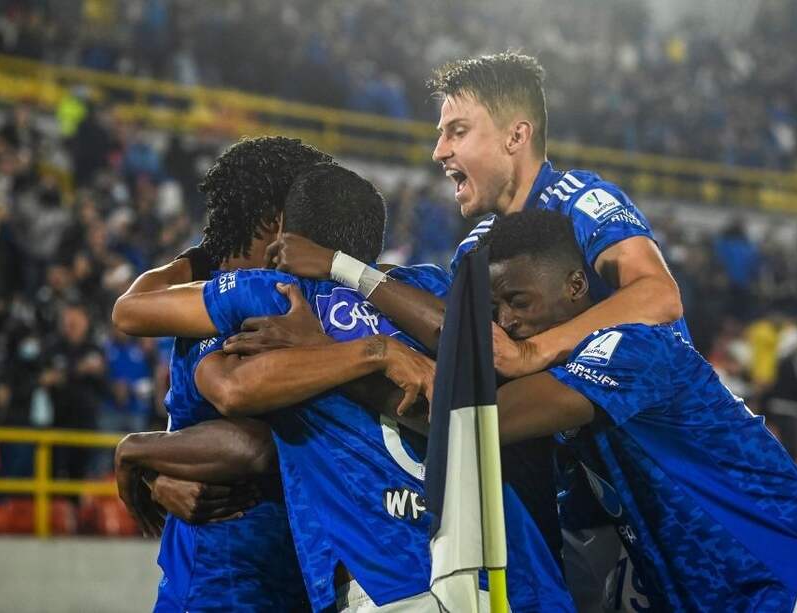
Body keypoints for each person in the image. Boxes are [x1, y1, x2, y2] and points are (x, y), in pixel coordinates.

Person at [261, 51, 685, 610]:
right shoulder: (475, 249)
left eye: (457, 132)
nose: (440, 152)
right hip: (578, 501)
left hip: (665, 479)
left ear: (516, 135)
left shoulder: (581, 200)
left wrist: (533, 352)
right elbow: (464, 358)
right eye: (440, 135)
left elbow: (659, 295)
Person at [114, 162, 574, 612]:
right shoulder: (423, 287)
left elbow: (140, 318)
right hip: (509, 568)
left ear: (285, 236)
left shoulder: (271, 297)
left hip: (388, 579)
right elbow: (468, 340)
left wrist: (139, 452)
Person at [471, 210, 797, 612]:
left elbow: (485, 418)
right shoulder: (571, 385)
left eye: (518, 301)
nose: (505, 321)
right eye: (495, 311)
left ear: (576, 285)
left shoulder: (635, 346)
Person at [114, 135, 333, 612]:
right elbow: (245, 439)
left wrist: (145, 455)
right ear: (278, 220)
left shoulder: (263, 297)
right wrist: (153, 464)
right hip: (230, 582)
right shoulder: (239, 302)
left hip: (262, 577)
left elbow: (251, 437)